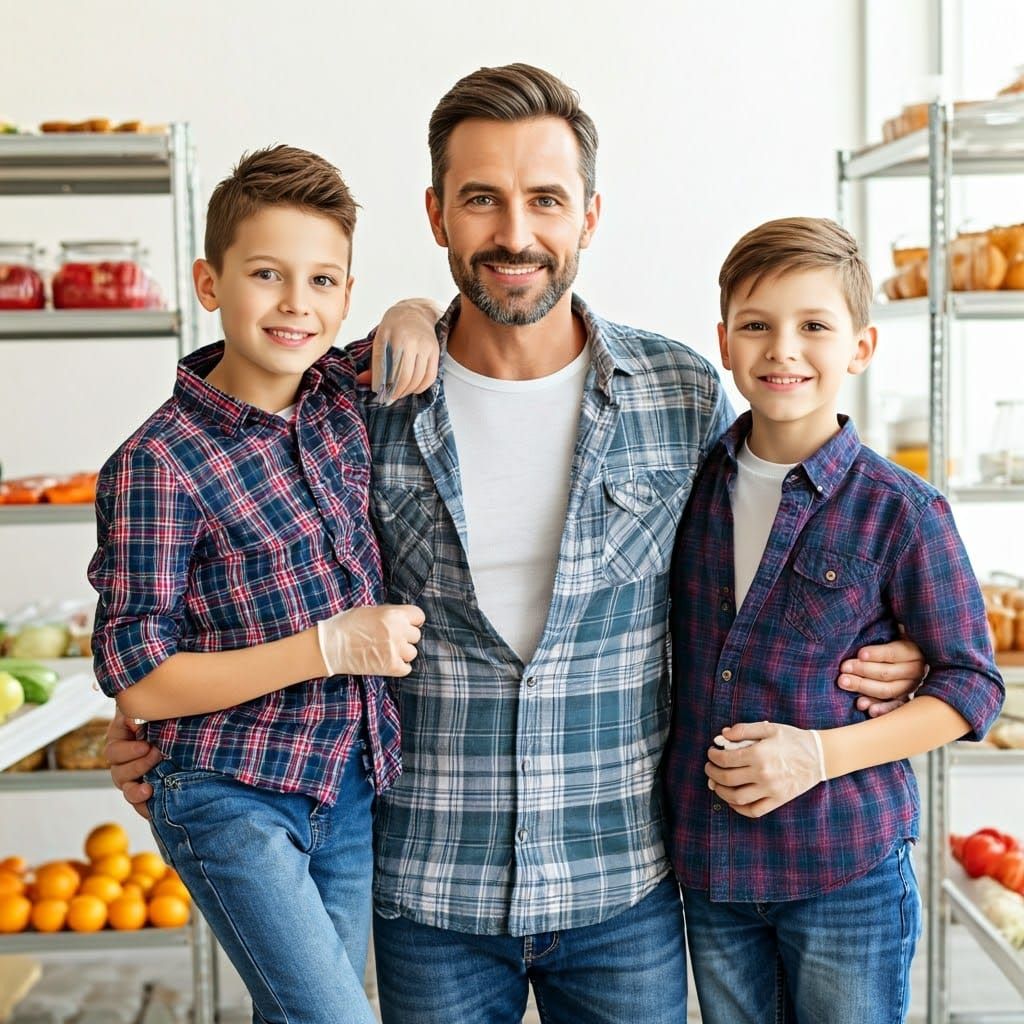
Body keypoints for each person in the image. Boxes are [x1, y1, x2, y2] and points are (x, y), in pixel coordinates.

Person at [105, 67, 927, 1023]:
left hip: (621, 887)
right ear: (437, 215)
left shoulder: (681, 390)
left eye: (545, 199)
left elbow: (765, 545)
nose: (515, 232)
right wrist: (173, 740)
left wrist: (889, 649)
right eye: (481, 200)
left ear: (590, 215)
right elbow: (234, 535)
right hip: (427, 896)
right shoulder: (356, 396)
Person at [87, 145, 425, 1024]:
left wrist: (412, 309)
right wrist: (328, 645)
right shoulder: (157, 463)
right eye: (267, 274)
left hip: (346, 785)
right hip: (230, 795)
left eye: (323, 281)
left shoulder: (342, 399)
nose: (295, 304)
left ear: (345, 296)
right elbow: (139, 676)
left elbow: (419, 325)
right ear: (210, 282)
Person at [663, 217, 1005, 1024]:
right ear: (723, 340)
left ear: (860, 346)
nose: (783, 349)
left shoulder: (902, 510)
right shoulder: (687, 483)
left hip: (843, 869)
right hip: (711, 867)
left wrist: (817, 755)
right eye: (758, 325)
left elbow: (973, 687)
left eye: (814, 326)